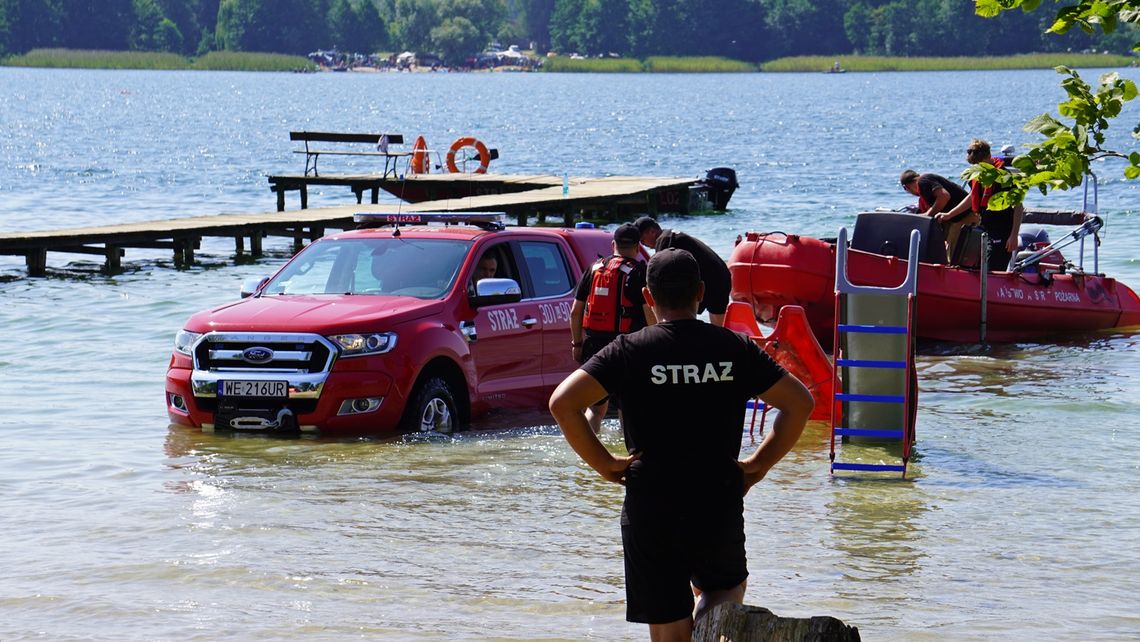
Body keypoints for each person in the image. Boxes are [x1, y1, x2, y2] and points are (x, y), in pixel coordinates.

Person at [549, 248, 814, 641]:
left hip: (651, 499)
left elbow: (563, 404)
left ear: (649, 298)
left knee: (669, 623)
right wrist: (758, 465)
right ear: (702, 292)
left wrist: (605, 464)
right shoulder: (733, 347)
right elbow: (800, 403)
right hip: (717, 492)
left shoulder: (629, 349)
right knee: (723, 593)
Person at [569, 223, 656, 432]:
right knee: (627, 408)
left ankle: (590, 455)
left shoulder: (594, 268)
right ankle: (629, 456)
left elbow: (575, 312)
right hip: (627, 347)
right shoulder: (639, 272)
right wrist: (656, 343)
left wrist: (577, 344)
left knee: (596, 408)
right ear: (637, 247)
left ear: (613, 244)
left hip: (593, 347)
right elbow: (649, 314)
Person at [940, 139, 1025, 272]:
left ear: (988, 157)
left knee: (994, 268)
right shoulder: (977, 174)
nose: (978, 168)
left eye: (980, 164)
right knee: (976, 266)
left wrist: (1013, 235)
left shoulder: (1004, 177)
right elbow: (971, 197)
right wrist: (949, 214)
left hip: (1002, 231)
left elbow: (1018, 207)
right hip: (985, 229)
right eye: (975, 165)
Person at [633, 216, 731, 327]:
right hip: (722, 276)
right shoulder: (671, 235)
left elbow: (659, 273)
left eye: (642, 240)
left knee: (681, 310)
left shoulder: (665, 241)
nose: (642, 244)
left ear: (652, 231)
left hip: (711, 280)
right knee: (719, 329)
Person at [899, 169, 976, 261]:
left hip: (965, 216)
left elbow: (944, 196)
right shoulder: (924, 193)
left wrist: (929, 214)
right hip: (955, 218)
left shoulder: (923, 181)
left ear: (906, 187)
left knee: (953, 254)